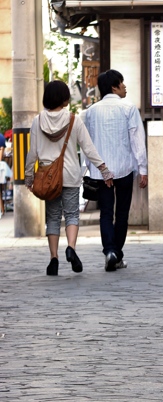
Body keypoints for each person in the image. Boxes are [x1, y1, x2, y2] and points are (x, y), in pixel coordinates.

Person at [24, 80, 114, 276]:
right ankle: (71, 248)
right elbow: (88, 148)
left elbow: (32, 153)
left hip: (48, 178)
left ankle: (53, 259)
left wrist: (29, 176)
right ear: (64, 99)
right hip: (71, 176)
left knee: (53, 217)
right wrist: (104, 169)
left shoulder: (38, 121)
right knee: (72, 214)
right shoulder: (74, 120)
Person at [83, 69, 148, 272]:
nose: (125, 86)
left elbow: (86, 144)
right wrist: (143, 168)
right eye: (122, 83)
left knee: (105, 213)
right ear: (114, 86)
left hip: (101, 171)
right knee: (121, 214)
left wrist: (89, 167)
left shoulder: (90, 112)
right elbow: (137, 140)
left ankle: (110, 251)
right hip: (124, 168)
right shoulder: (129, 108)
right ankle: (116, 254)